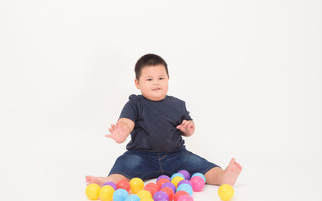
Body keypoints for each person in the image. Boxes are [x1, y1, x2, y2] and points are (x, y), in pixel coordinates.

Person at [86, 53, 242, 187]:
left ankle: (222, 176)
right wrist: (122, 131)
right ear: (137, 83)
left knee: (198, 163)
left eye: (161, 78)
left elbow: (188, 125)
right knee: (124, 165)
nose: (156, 82)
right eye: (149, 79)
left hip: (176, 155)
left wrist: (189, 129)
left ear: (168, 79)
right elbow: (126, 122)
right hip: (141, 156)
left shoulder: (177, 104)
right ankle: (110, 181)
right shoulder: (135, 103)